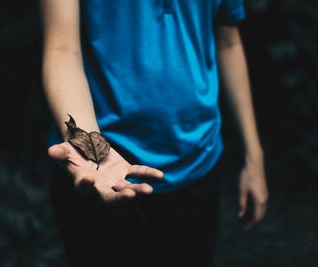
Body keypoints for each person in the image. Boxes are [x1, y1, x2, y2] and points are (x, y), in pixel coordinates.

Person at [40, 0, 269, 266]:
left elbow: (228, 40)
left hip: (199, 161)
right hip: (106, 174)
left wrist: (254, 153)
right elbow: (62, 49)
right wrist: (89, 148)